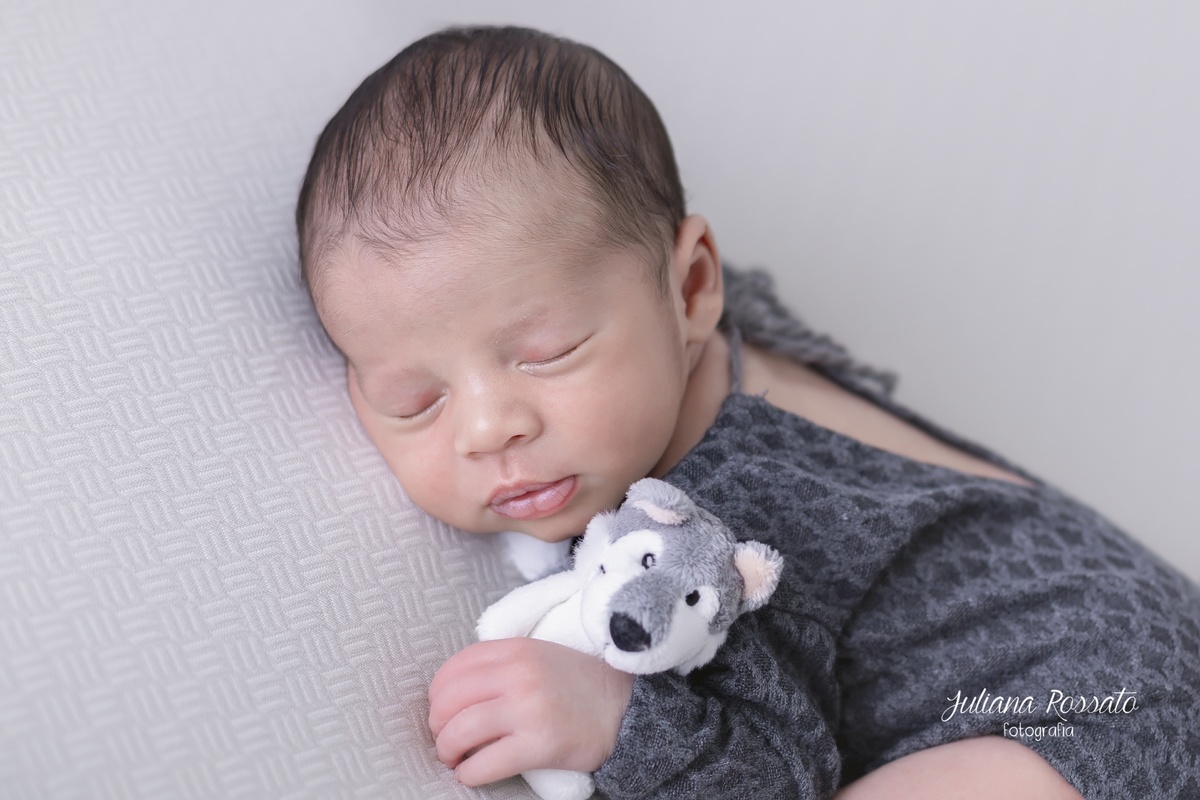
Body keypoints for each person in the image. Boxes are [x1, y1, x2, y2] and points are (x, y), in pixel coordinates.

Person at [293, 25, 1200, 800]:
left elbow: (780, 774)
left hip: (1093, 712)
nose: (489, 429)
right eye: (414, 400)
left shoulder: (733, 530)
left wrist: (619, 720)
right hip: (1126, 611)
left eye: (549, 351)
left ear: (690, 285)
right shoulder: (714, 327)